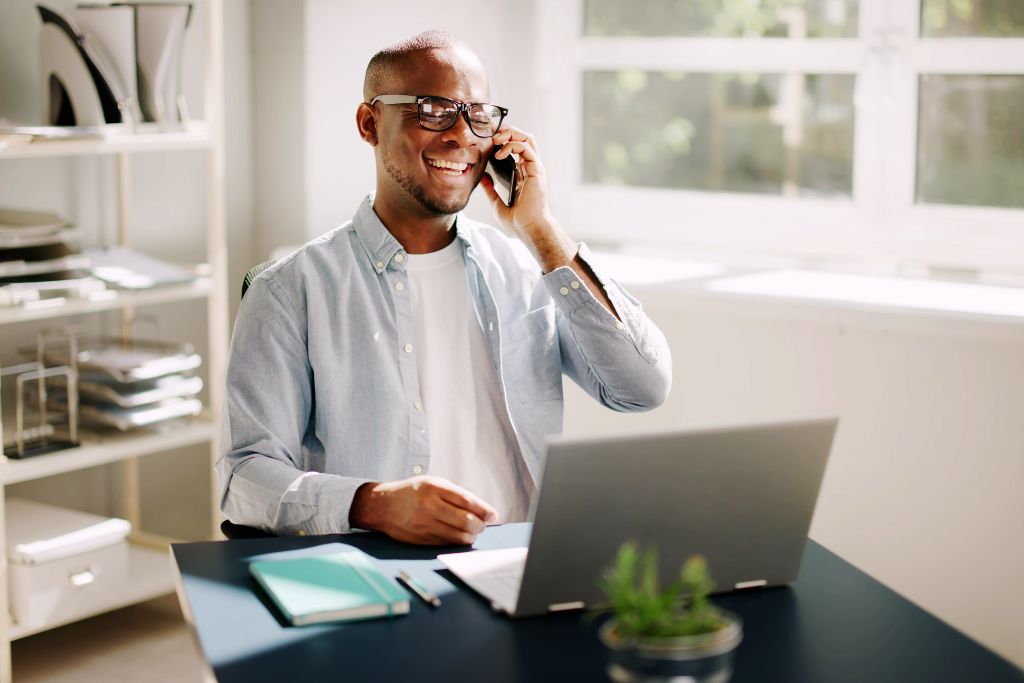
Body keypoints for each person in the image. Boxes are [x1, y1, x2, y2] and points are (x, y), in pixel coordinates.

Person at [217, 30, 672, 545]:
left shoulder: (529, 271)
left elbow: (642, 388)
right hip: (381, 578)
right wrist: (373, 503)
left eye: (477, 115)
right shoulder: (289, 290)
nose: (461, 136)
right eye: (432, 110)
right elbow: (244, 478)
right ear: (370, 124)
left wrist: (541, 229)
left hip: (519, 566)